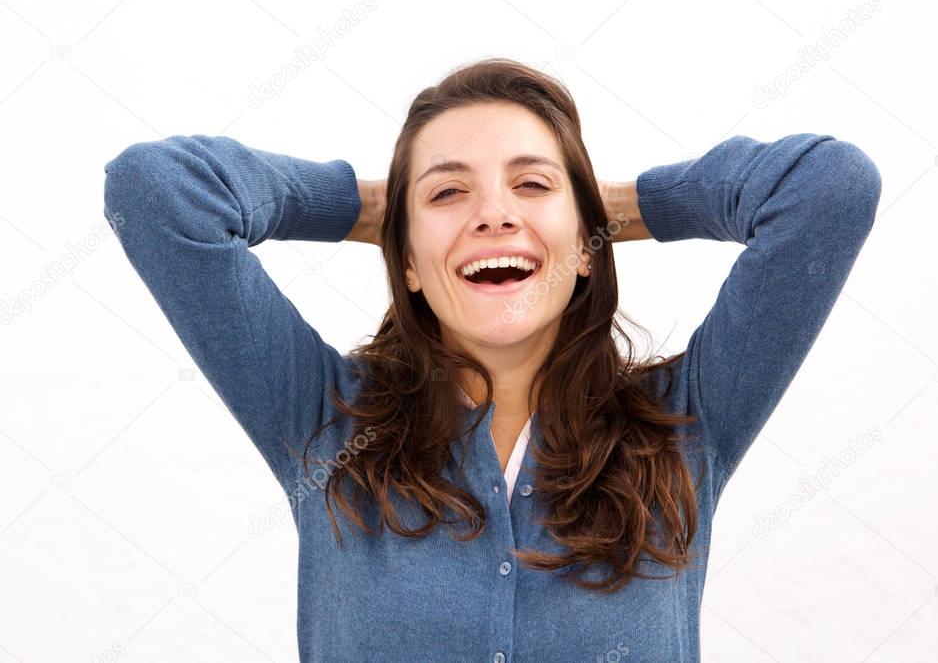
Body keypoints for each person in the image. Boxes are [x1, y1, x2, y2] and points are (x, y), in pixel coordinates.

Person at [102, 57, 882, 662]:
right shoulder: (323, 421)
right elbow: (157, 189)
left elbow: (827, 187)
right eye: (448, 195)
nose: (494, 213)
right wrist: (367, 206)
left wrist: (613, 207)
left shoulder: (686, 422)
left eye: (530, 185)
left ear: (587, 244)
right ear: (403, 258)